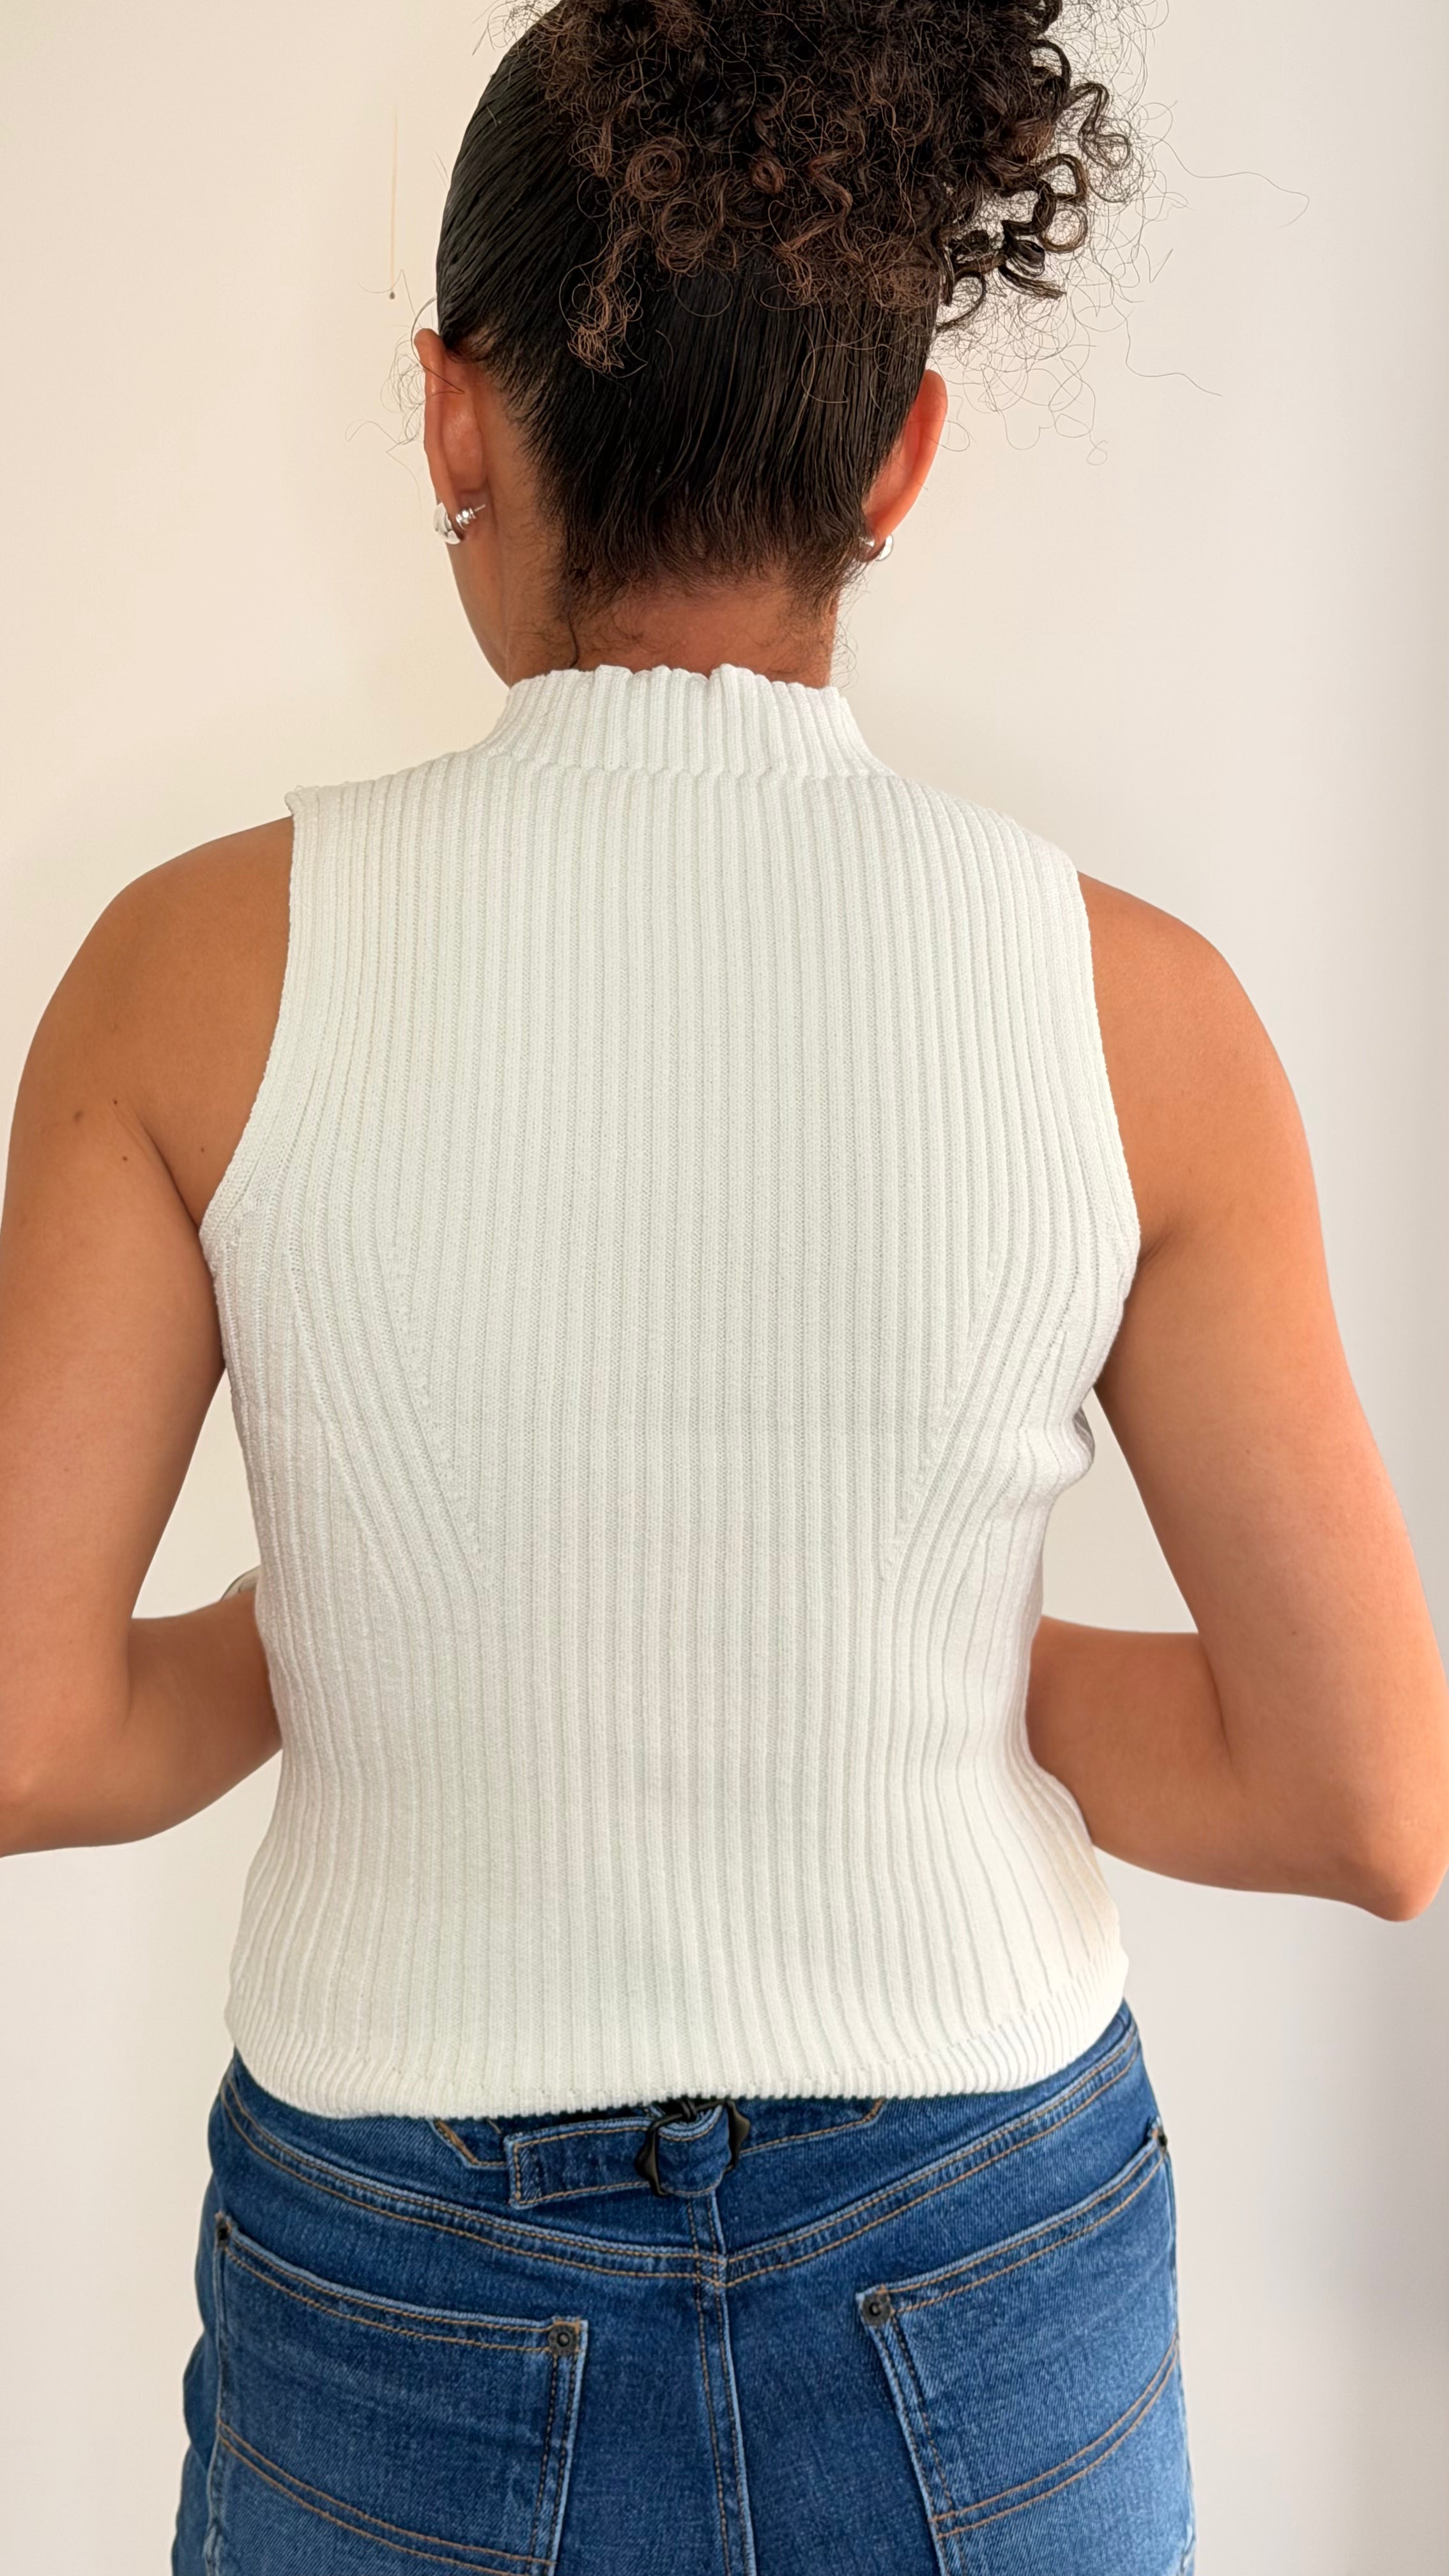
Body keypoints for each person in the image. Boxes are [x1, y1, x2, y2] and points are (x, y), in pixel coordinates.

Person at [1, 5, 1445, 2571]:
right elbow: (1364, 1802)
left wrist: (315, 1639)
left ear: (456, 419)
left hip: (400, 2296)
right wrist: (932, 1663)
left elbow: (20, 1734)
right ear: (896, 457)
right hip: (981, 2283)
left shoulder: (186, 978)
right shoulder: (1143, 1017)